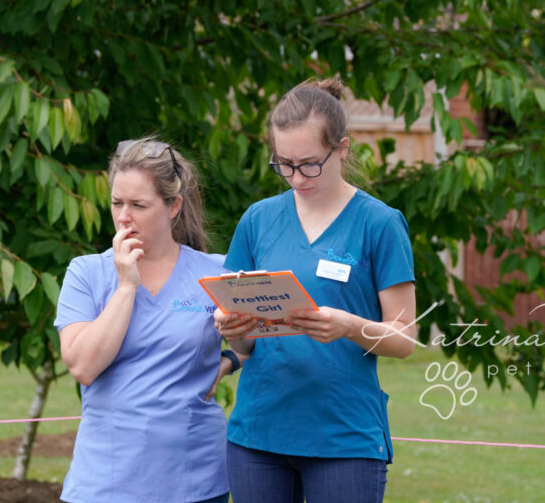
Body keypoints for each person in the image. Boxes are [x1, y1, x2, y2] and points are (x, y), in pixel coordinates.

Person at [216, 78, 417, 503]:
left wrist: (348, 326)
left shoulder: (379, 223)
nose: (295, 177)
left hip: (343, 438)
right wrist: (234, 327)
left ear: (341, 149)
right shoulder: (258, 219)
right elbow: (245, 346)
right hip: (258, 434)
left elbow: (403, 339)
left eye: (309, 163)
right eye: (283, 164)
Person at [55, 138, 234, 503]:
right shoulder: (86, 273)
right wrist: (125, 286)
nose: (123, 216)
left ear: (173, 207)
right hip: (105, 484)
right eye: (117, 203)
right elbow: (83, 367)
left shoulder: (216, 273)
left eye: (138, 205)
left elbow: (263, 333)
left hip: (196, 480)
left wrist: (229, 361)